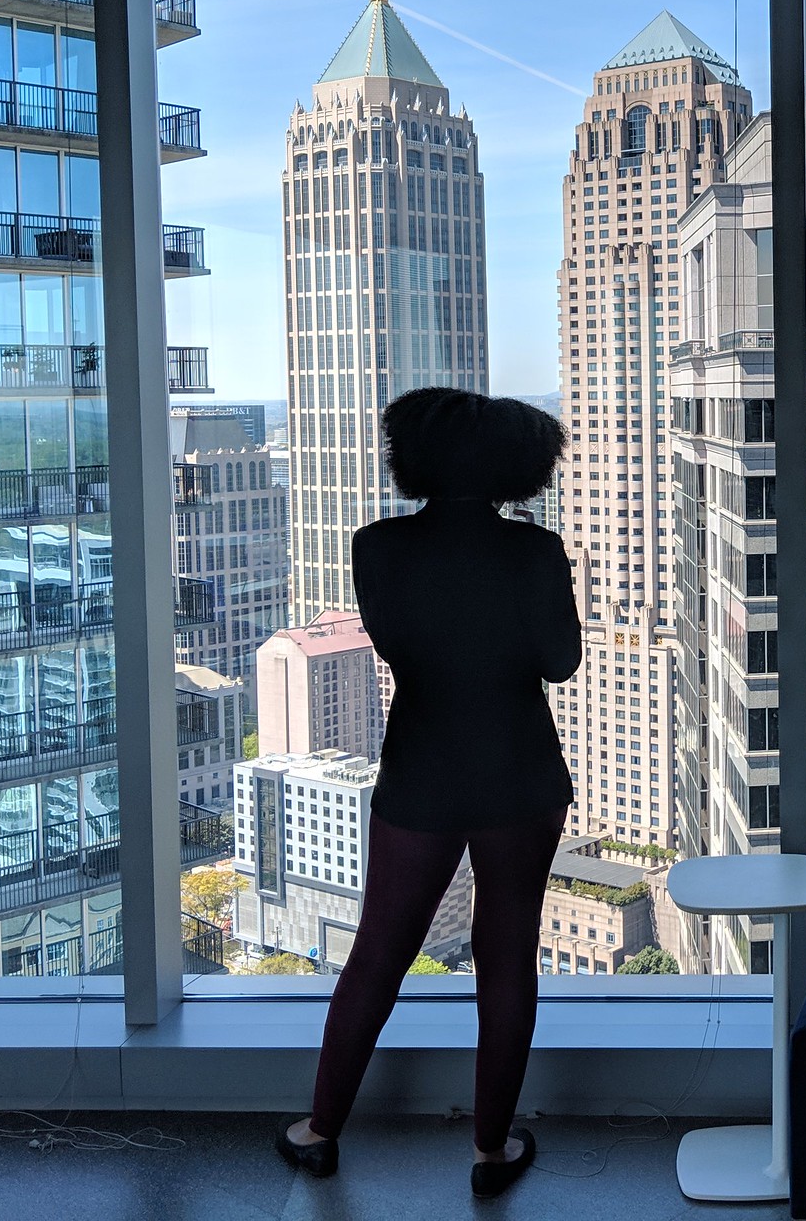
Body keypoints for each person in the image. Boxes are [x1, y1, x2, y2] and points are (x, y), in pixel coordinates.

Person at [276, 388, 579, 1198]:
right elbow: (561, 663)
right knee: (507, 954)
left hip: (423, 765)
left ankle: (319, 1131)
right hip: (520, 767)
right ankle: (489, 1152)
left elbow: (400, 643)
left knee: (378, 951)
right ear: (516, 466)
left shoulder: (376, 546)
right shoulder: (535, 551)